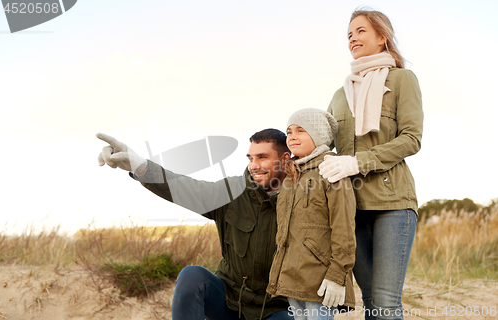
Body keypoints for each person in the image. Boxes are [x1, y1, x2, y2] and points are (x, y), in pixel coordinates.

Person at [96, 129, 293, 320]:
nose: (254, 165)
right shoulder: (232, 191)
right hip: (229, 302)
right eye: (251, 158)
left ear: (284, 159)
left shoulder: (302, 202)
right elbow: (185, 188)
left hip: (275, 310)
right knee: (192, 276)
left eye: (262, 157)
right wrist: (139, 166)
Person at [318, 8, 423, 320]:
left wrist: (358, 162)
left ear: (382, 37)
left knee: (387, 301)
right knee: (371, 299)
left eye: (361, 31)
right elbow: (321, 145)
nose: (353, 38)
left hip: (394, 204)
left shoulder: (402, 79)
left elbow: (411, 138)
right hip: (350, 208)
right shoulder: (340, 94)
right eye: (349, 34)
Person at [266, 108, 357, 320]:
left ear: (319, 135)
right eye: (289, 132)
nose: (292, 136)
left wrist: (337, 275)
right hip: (293, 278)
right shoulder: (291, 176)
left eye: (301, 130)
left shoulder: (331, 170)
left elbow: (344, 227)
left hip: (320, 280)